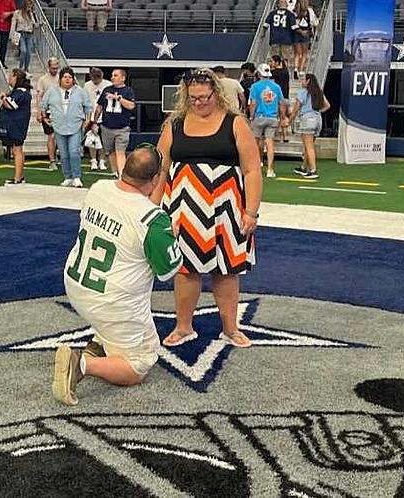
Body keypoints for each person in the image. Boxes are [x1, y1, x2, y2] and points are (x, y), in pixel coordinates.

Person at [53, 146, 183, 406]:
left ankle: (102, 342)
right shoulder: (153, 220)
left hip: (77, 284)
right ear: (156, 179)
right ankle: (81, 365)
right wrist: (172, 236)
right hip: (111, 300)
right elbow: (169, 269)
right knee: (140, 363)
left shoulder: (99, 188)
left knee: (124, 325)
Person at [151, 68, 262, 349]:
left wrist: (251, 211)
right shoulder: (173, 125)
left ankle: (230, 329)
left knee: (227, 271)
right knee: (185, 269)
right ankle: (183, 327)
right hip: (182, 207)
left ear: (217, 93)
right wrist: (152, 208)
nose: (198, 103)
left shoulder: (236, 123)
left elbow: (251, 170)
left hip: (228, 208)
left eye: (204, 97)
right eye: (193, 98)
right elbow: (161, 168)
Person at [42, 67, 92, 187]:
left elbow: (88, 106)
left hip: (75, 125)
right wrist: (45, 118)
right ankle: (67, 176)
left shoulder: (80, 91)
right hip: (59, 126)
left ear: (73, 79)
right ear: (60, 79)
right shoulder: (52, 91)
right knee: (63, 153)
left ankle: (76, 176)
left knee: (74, 151)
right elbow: (43, 105)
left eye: (70, 77)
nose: (67, 79)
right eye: (65, 77)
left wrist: (88, 119)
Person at [95, 68, 136, 178]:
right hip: (107, 126)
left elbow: (131, 106)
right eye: (112, 75)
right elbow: (99, 107)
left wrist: (119, 99)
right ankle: (114, 172)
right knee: (110, 151)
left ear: (123, 78)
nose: (113, 77)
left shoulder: (128, 91)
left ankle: (122, 175)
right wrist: (94, 122)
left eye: (116, 75)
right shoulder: (106, 89)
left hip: (122, 127)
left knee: (120, 151)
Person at [248, 63, 287, 178]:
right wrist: (282, 117)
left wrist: (251, 116)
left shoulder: (255, 86)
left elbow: (253, 103)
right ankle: (270, 169)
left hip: (259, 117)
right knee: (270, 143)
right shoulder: (276, 87)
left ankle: (256, 165)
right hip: (272, 117)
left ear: (259, 73)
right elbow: (282, 103)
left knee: (256, 142)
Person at [289, 73, 329, 179]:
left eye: (303, 80)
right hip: (318, 119)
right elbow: (327, 105)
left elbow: (296, 107)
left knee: (309, 146)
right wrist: (316, 111)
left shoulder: (303, 92)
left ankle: (313, 170)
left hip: (307, 119)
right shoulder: (318, 92)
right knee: (309, 145)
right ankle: (303, 167)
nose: (301, 82)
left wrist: (290, 119)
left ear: (308, 81)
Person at [0, 68, 33, 185]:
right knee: (18, 149)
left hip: (17, 125)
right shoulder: (22, 92)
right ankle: (20, 176)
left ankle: (17, 178)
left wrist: (3, 97)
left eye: (10, 76)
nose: (9, 78)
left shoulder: (20, 92)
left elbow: (11, 105)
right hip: (18, 124)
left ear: (16, 77)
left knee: (17, 150)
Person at [83, 67, 111, 171]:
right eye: (94, 80)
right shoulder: (87, 85)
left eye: (98, 80)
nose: (96, 82)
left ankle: (102, 161)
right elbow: (85, 102)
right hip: (91, 116)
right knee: (92, 140)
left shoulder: (107, 84)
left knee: (103, 141)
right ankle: (93, 160)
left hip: (104, 117)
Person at [36, 57, 61, 170]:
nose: (55, 70)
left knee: (59, 136)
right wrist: (39, 111)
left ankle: (56, 157)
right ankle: (52, 161)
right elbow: (39, 96)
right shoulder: (43, 80)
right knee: (51, 136)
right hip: (48, 112)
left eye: (56, 68)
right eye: (53, 68)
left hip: (61, 111)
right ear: (48, 67)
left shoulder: (62, 78)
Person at [264, 0, 297, 75]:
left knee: (275, 58)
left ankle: (274, 72)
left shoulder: (272, 13)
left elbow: (265, 25)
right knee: (285, 57)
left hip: (274, 38)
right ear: (286, 5)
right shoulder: (290, 14)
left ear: (278, 5)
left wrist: (263, 34)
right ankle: (285, 72)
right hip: (286, 39)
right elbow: (293, 27)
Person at [292, 0, 319, 79]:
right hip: (306, 32)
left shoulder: (294, 11)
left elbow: (292, 23)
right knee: (304, 53)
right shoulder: (309, 11)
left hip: (296, 33)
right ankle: (301, 70)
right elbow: (314, 22)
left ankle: (295, 68)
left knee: (297, 53)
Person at [10, 1, 38, 71]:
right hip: (21, 34)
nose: (30, 7)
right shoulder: (17, 13)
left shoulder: (31, 14)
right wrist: (12, 37)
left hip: (29, 34)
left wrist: (40, 24)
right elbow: (13, 25)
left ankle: (26, 68)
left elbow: (35, 25)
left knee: (28, 53)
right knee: (23, 51)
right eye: (29, 6)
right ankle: (20, 67)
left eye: (31, 6)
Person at [269, 55, 291, 142]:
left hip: (277, 97)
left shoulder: (274, 72)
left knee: (277, 116)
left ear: (277, 62)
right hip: (285, 96)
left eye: (272, 61)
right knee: (283, 116)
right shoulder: (286, 71)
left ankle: (277, 135)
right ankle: (284, 136)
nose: (270, 63)